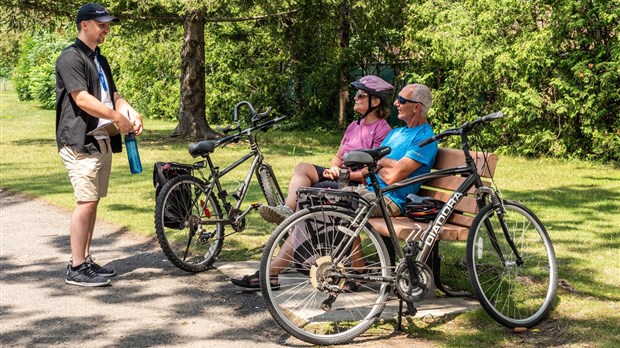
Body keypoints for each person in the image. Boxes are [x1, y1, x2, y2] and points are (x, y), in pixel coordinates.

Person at [232, 83, 438, 289]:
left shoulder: (425, 139)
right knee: (312, 201)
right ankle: (356, 270)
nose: (396, 103)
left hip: (389, 199)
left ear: (417, 107)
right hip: (369, 191)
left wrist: (381, 163)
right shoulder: (397, 133)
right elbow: (370, 165)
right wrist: (382, 163)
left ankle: (271, 273)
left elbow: (393, 176)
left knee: (323, 206)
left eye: (401, 100)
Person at [56, 3, 144, 287]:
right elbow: (81, 98)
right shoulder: (71, 58)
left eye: (108, 25)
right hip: (80, 140)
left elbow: (113, 95)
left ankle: (86, 259)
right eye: (101, 25)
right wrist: (116, 116)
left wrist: (130, 112)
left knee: (92, 202)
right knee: (85, 202)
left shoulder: (99, 58)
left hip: (102, 139)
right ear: (85, 25)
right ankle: (76, 266)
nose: (106, 29)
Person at [258, 75, 394, 224]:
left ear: (375, 101)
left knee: (308, 193)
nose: (355, 98)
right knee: (302, 168)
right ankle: (287, 210)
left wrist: (344, 174)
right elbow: (338, 156)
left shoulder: (382, 129)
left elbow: (371, 169)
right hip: (340, 174)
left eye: (361, 95)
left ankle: (294, 229)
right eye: (356, 94)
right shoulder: (353, 126)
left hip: (357, 184)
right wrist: (334, 168)